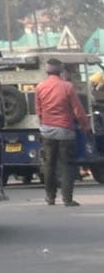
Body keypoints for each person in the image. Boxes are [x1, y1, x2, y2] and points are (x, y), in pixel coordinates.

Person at [37, 58, 83, 206]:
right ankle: (67, 199)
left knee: (49, 164)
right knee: (67, 165)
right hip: (65, 131)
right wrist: (86, 126)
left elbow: (38, 111)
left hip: (47, 131)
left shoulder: (40, 87)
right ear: (61, 70)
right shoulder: (67, 86)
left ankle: (50, 197)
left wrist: (45, 124)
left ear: (47, 70)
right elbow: (78, 110)